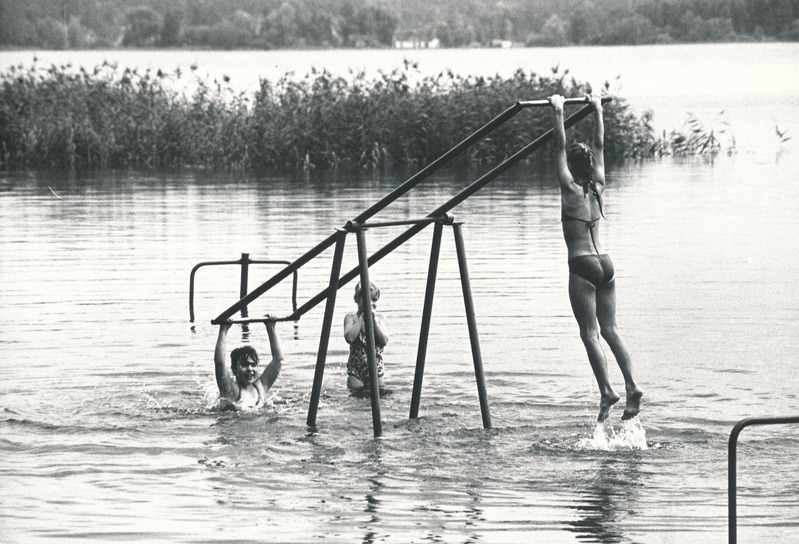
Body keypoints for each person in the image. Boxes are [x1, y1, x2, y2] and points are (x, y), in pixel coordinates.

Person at [548, 93, 643, 422]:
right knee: (611, 330)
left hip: (583, 266)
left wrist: (559, 110)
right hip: (606, 264)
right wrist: (598, 110)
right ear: (590, 165)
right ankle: (632, 387)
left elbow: (558, 146)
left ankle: (607, 390)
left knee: (589, 333)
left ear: (572, 167)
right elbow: (600, 145)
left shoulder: (569, 189)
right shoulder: (599, 185)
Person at [213, 317, 283, 409]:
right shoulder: (231, 391)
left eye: (253, 365)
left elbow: (278, 359)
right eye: (244, 365)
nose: (250, 369)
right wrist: (223, 330)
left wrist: (271, 328)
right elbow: (219, 362)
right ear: (234, 369)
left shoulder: (261, 387)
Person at [344, 281, 389, 395]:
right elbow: (349, 337)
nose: (371, 303)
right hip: (356, 369)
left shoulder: (380, 318)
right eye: (366, 299)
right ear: (356, 299)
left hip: (375, 367)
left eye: (374, 300)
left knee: (379, 394)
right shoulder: (351, 318)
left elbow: (384, 340)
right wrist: (362, 318)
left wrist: (373, 320)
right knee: (355, 396)